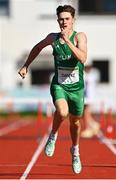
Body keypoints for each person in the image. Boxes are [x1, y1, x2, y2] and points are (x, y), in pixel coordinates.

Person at [18, 5, 87, 174]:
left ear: (73, 20)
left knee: (75, 122)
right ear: (58, 20)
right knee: (62, 112)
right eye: (61, 19)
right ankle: (53, 136)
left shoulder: (79, 36)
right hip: (59, 85)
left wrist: (68, 41)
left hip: (76, 89)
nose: (64, 22)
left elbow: (83, 58)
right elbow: (37, 47)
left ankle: (75, 151)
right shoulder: (52, 38)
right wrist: (26, 65)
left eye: (67, 19)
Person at [81, 64, 100, 138]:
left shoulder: (86, 76)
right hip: (89, 96)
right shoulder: (92, 76)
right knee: (85, 113)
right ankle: (93, 125)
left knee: (86, 113)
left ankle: (89, 128)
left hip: (87, 97)